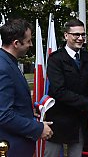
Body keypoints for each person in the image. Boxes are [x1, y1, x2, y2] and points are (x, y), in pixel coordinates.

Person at [44, 19, 88, 157]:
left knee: (77, 154)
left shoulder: (86, 57)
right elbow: (58, 91)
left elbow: (87, 87)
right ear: (66, 35)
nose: (80, 38)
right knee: (52, 154)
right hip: (58, 118)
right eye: (76, 34)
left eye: (83, 34)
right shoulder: (55, 59)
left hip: (79, 118)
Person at [0, 18, 53, 157]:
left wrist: (28, 111)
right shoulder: (3, 67)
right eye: (28, 41)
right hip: (10, 147)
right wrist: (38, 128)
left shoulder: (8, 62)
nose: (31, 44)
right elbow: (3, 115)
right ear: (16, 43)